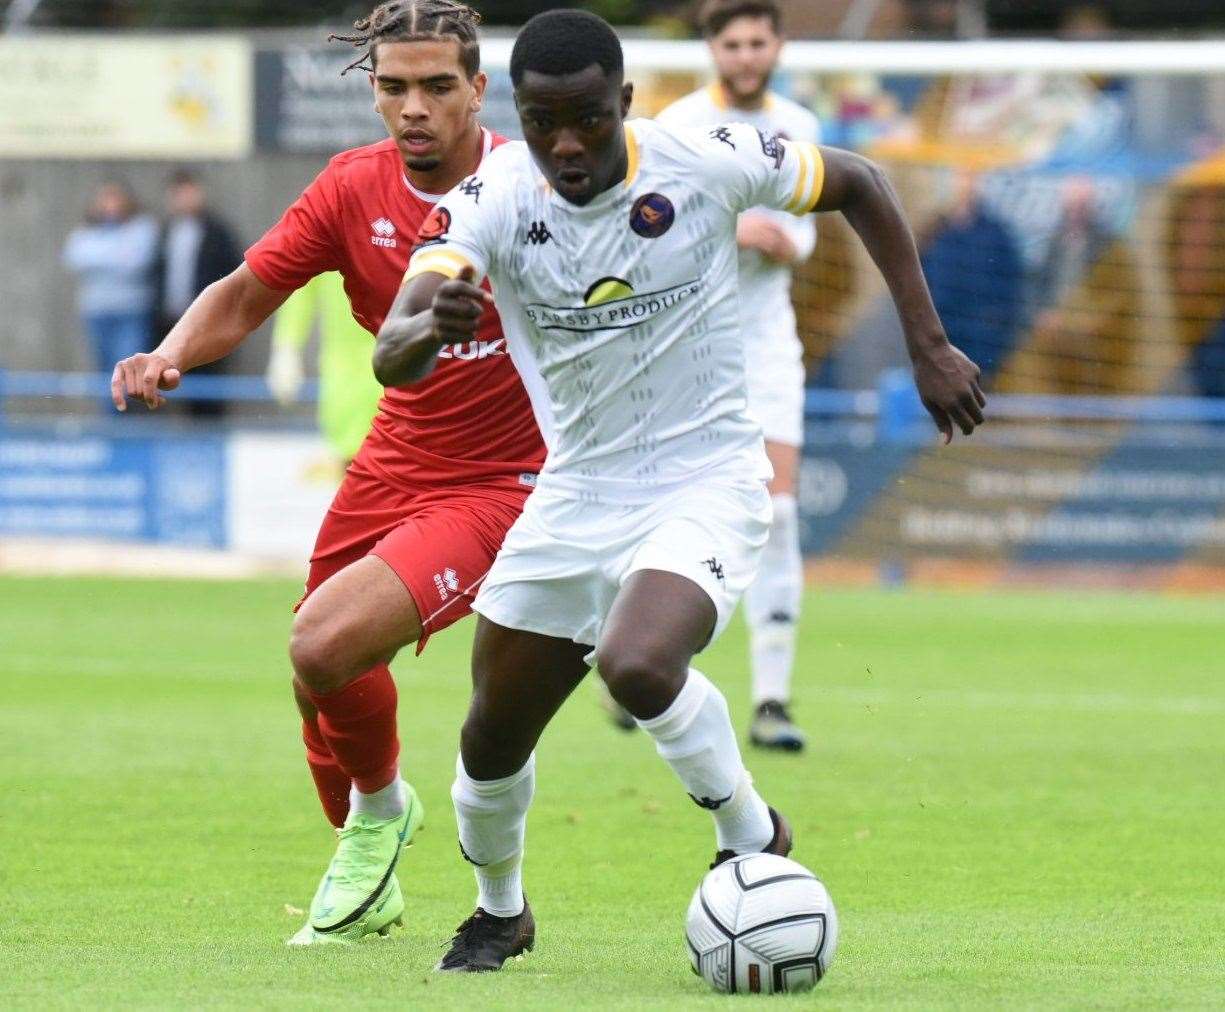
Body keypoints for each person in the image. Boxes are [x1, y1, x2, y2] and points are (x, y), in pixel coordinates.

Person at [379, 9, 984, 972]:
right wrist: (429, 328)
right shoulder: (488, 195)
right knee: (488, 737)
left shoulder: (702, 155)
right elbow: (392, 352)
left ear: (625, 101)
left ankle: (752, 837)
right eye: (543, 124)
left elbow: (860, 183)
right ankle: (501, 913)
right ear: (520, 117)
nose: (565, 145)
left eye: (586, 118)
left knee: (636, 662)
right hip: (576, 493)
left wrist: (926, 341)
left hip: (706, 477)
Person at [110, 0, 546, 946]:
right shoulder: (352, 186)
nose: (414, 108)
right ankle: (370, 866)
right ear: (374, 93)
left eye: (437, 86)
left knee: (322, 644)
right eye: (394, 88)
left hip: (505, 480)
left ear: (479, 89)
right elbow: (246, 290)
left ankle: (380, 814)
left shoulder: (534, 186)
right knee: (318, 674)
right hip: (395, 453)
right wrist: (171, 353)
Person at [655, 0, 820, 752]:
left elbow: (809, 227)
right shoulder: (679, 125)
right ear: (712, 49)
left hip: (767, 347)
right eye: (733, 43)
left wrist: (785, 240)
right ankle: (650, 667)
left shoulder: (800, 123)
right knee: (666, 509)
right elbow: (655, 228)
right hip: (691, 345)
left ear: (777, 45)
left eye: (758, 42)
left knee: (778, 515)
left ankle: (773, 701)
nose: (747, 55)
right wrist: (730, 226)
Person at [266, 271, 385, 466]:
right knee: (352, 464)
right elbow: (300, 286)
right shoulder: (329, 240)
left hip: (409, 368)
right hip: (345, 378)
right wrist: (286, 347)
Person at [152, 170, 244, 418]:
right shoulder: (165, 232)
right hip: (171, 322)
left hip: (209, 324)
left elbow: (237, 274)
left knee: (208, 390)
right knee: (178, 391)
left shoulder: (217, 232)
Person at [62, 180, 158, 385]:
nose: (110, 204)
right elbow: (74, 257)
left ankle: (125, 413)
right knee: (104, 372)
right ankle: (111, 415)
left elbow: (136, 262)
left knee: (128, 368)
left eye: (115, 198)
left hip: (131, 310)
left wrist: (98, 256)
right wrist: (116, 255)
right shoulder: (85, 231)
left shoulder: (141, 227)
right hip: (96, 311)